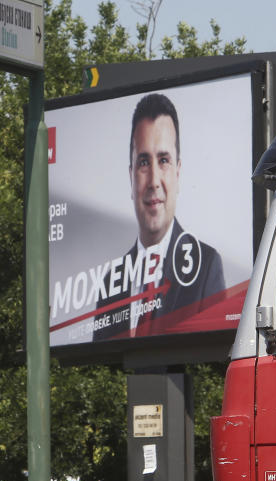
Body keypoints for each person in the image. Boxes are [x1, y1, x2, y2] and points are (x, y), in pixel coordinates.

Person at [93, 93, 225, 340]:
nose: (153, 181)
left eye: (163, 160)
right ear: (131, 175)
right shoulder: (112, 280)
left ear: (178, 171)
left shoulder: (206, 266)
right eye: (144, 162)